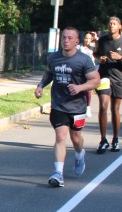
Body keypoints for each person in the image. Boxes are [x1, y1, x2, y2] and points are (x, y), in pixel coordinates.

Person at [35, 27, 100, 187]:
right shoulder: (53, 57)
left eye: (70, 38)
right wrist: (41, 85)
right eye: (64, 37)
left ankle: (79, 154)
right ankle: (58, 173)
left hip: (77, 106)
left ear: (77, 41)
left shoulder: (84, 60)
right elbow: (49, 73)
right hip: (59, 104)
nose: (66, 40)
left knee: (76, 138)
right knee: (60, 137)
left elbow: (95, 81)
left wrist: (80, 87)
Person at [94, 16, 122, 153]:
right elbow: (95, 54)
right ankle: (103, 140)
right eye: (110, 23)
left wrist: (120, 58)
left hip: (119, 78)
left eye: (114, 23)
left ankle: (115, 139)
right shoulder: (102, 41)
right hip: (104, 76)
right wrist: (100, 59)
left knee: (115, 109)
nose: (111, 25)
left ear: (119, 26)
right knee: (103, 106)